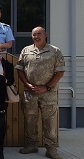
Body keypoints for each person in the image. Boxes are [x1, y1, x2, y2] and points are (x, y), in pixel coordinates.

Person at [16, 26, 65, 159]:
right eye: (34, 34)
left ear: (45, 35)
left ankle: (51, 149)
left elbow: (60, 72)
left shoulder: (55, 51)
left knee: (50, 122)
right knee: (30, 120)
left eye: (39, 34)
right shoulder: (26, 51)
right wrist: (27, 84)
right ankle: (31, 145)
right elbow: (20, 69)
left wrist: (47, 87)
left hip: (48, 93)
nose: (36, 36)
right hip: (30, 92)